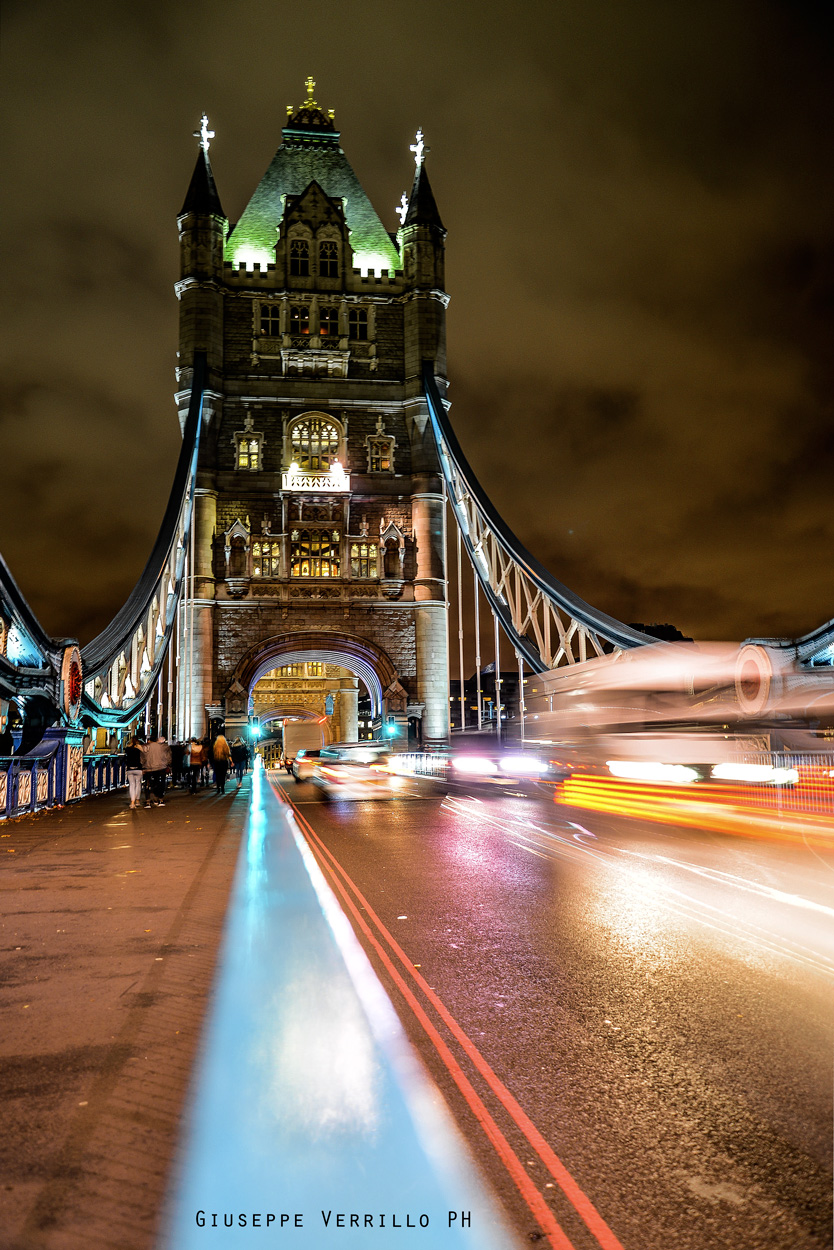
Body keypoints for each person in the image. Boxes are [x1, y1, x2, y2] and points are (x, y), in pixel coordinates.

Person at [143, 733, 172, 807]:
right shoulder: (163, 747)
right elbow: (167, 757)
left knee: (148, 783)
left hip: (149, 767)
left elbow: (143, 758)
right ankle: (160, 799)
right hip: (161, 767)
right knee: (161, 783)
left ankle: (148, 800)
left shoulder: (146, 747)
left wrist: (144, 766)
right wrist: (168, 764)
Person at [124, 735, 144, 809]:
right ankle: (137, 800)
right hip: (138, 768)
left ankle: (132, 802)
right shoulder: (139, 748)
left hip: (130, 768)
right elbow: (144, 755)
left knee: (132, 785)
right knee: (138, 784)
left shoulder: (127, 749)